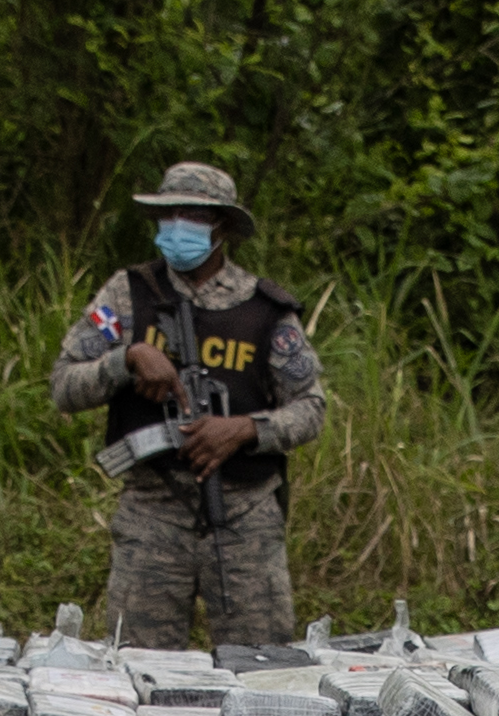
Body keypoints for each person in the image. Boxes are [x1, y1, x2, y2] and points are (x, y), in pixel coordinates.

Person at [47, 162, 324, 655]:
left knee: (264, 671)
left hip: (245, 515)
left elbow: (310, 409)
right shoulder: (128, 294)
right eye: (169, 213)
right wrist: (126, 360)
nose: (178, 224)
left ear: (222, 226)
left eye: (193, 215)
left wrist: (244, 430)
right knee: (136, 668)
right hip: (153, 511)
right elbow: (64, 386)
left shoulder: (264, 309)